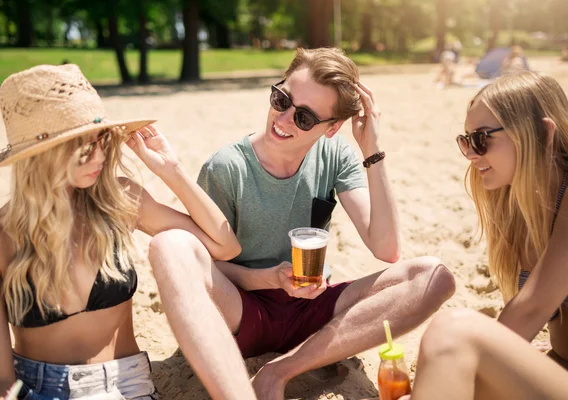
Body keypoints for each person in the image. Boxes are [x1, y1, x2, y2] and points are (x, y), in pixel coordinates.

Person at [152, 47, 456, 399]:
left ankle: (280, 370)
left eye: (305, 118)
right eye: (281, 99)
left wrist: (371, 149)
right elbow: (209, 265)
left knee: (433, 277)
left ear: (332, 128)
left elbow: (386, 249)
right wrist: (270, 278)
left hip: (313, 310)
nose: (283, 120)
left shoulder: (335, 154)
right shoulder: (226, 168)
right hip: (243, 310)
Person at [0, 64, 256, 400]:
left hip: (127, 386)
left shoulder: (118, 200)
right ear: (40, 154)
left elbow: (223, 246)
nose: (101, 154)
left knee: (173, 239)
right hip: (36, 391)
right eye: (83, 144)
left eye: (102, 137)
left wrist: (171, 171)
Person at [402, 70, 568, 399]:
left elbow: (531, 310)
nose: (470, 154)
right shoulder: (522, 205)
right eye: (465, 140)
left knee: (453, 331)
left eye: (481, 139)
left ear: (542, 133)